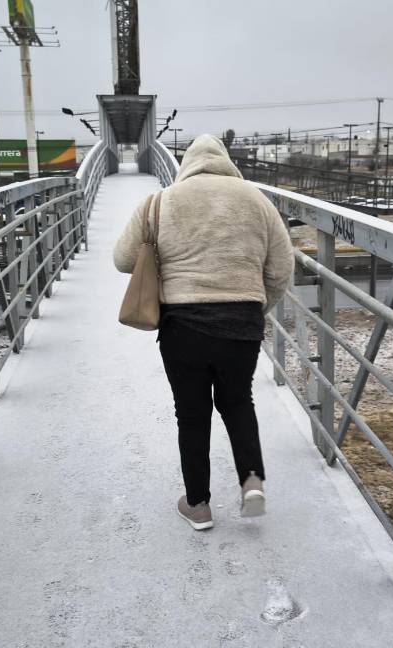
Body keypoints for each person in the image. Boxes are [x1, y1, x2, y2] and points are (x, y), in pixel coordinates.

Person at [114, 134, 294, 531]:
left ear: (186, 165)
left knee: (192, 415)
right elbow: (282, 267)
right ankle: (251, 483)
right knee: (237, 404)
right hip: (241, 324)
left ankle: (198, 505)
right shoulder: (256, 200)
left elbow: (123, 259)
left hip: (183, 328)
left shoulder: (160, 202)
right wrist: (255, 307)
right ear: (226, 162)